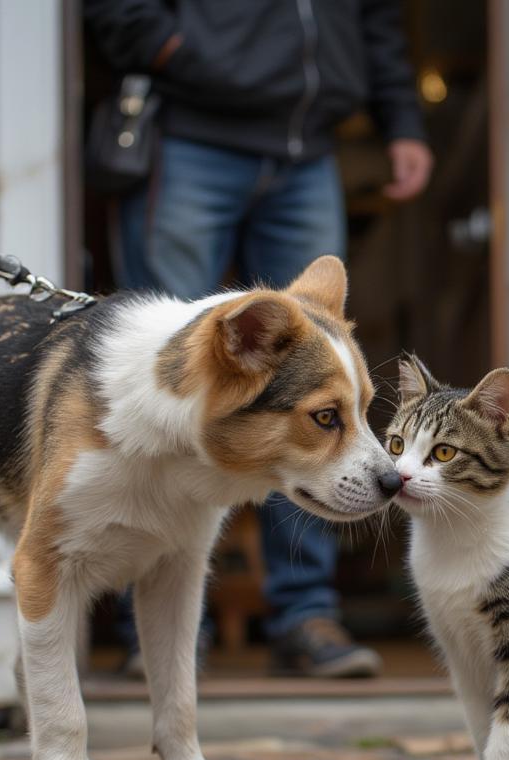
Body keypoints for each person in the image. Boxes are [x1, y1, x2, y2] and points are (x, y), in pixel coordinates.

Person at [86, 0, 433, 677]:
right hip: (191, 136)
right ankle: (149, 627)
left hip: (309, 149)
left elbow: (375, 17)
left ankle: (305, 613)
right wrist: (182, 54)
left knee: (314, 389)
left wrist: (403, 118)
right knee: (168, 386)